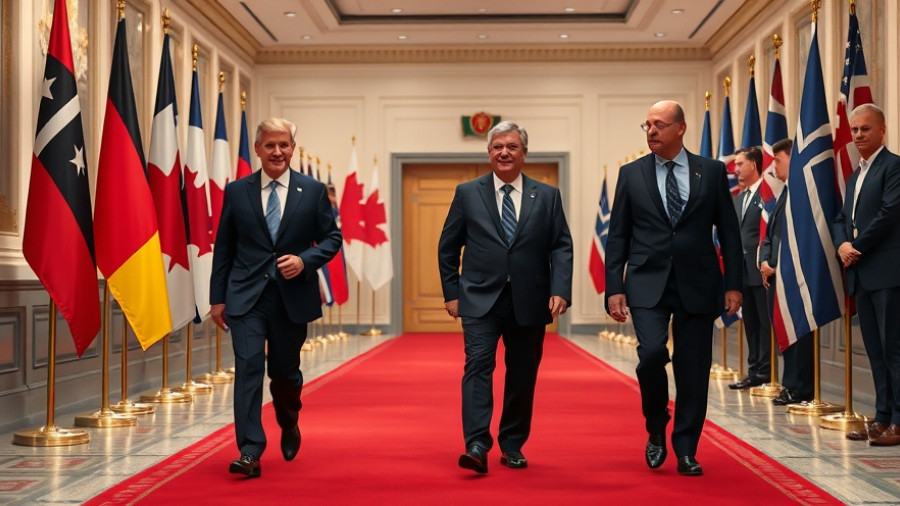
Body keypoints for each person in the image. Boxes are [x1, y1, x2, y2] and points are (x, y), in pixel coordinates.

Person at [605, 100, 742, 476]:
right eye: (647, 125)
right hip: (647, 282)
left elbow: (729, 233)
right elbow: (618, 235)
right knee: (650, 355)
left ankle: (686, 448)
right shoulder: (631, 174)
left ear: (680, 128)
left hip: (698, 283)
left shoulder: (711, 172)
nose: (651, 131)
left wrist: (734, 285)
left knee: (692, 368)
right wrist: (613, 286)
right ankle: (655, 426)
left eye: (659, 125)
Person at [438, 120, 573, 473]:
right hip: (480, 299)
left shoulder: (547, 196)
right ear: (489, 153)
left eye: (512, 146)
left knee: (522, 374)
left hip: (530, 301)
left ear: (524, 153)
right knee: (478, 367)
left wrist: (560, 289)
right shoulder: (467, 193)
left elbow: (561, 246)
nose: (504, 152)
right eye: (497, 146)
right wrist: (452, 292)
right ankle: (477, 444)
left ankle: (512, 444)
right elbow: (448, 247)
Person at [210, 118, 342, 477]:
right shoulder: (237, 191)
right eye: (270, 145)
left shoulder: (312, 190)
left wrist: (304, 260)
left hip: (291, 298)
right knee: (248, 368)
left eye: (284, 145)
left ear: (292, 149)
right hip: (245, 297)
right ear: (258, 149)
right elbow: (224, 248)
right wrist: (217, 298)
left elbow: (332, 238)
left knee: (284, 374)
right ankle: (250, 450)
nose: (278, 152)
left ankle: (289, 418)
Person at [832, 104, 900, 445]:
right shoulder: (855, 175)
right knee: (874, 350)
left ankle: (898, 423)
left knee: (894, 349)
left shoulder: (894, 167)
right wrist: (842, 244)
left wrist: (856, 246)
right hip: (861, 274)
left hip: (887, 273)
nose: (858, 135)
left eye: (865, 129)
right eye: (855, 130)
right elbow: (840, 219)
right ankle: (882, 417)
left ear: (882, 130)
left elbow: (889, 213)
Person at [758, 138, 814, 406]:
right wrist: (765, 261)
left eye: (777, 161)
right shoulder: (784, 193)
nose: (772, 167)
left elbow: (802, 238)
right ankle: (789, 384)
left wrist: (778, 265)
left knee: (797, 334)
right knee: (783, 333)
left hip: (793, 277)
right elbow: (769, 236)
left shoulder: (803, 193)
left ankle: (800, 387)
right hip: (776, 276)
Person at [728, 146, 772, 390]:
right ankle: (753, 369)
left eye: (739, 164)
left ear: (753, 165)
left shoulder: (767, 194)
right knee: (750, 323)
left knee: (764, 324)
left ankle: (765, 371)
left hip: (760, 270)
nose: (735, 169)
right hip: (742, 271)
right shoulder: (739, 197)